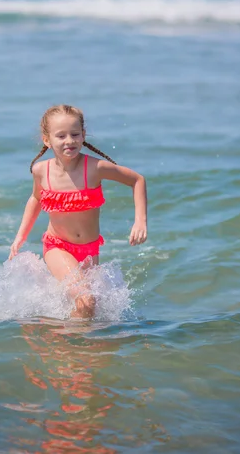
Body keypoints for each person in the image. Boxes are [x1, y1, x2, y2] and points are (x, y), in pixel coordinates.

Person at [8, 104, 147, 318]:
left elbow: (137, 180)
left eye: (74, 134)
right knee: (86, 299)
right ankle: (72, 347)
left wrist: (140, 222)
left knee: (89, 309)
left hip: (90, 250)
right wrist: (20, 237)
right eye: (61, 136)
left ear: (83, 135)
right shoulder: (41, 171)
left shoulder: (95, 168)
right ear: (47, 140)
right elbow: (36, 198)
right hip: (57, 247)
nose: (69, 141)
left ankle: (65, 340)